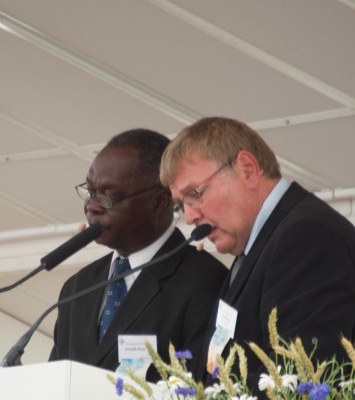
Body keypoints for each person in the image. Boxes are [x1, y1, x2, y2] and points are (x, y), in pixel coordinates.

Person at [160, 117, 355, 384]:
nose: (189, 217)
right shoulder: (258, 247)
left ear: (247, 169)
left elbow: (301, 378)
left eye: (195, 194)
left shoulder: (307, 236)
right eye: (181, 205)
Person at [49, 128, 227, 380]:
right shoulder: (77, 288)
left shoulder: (205, 281)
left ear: (159, 202)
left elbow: (207, 383)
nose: (92, 206)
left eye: (109, 196)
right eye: (90, 192)